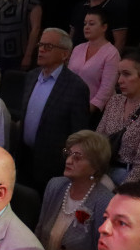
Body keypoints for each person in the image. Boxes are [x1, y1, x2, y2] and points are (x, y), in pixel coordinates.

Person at [35, 130, 115, 250]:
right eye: (68, 154)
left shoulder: (105, 202)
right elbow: (40, 229)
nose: (69, 160)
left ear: (95, 166)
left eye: (77, 157)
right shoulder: (56, 186)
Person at [19, 28, 91, 191]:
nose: (42, 49)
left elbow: (78, 133)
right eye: (41, 44)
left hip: (51, 167)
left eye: (48, 46)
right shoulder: (31, 77)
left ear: (65, 54)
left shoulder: (76, 87)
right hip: (24, 158)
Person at [96, 51, 140, 185]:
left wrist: (122, 190)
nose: (120, 80)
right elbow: (98, 138)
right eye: (119, 74)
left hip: (127, 174)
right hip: (103, 168)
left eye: (126, 74)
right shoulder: (115, 101)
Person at [67, 7, 120, 116]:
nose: (86, 27)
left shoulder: (111, 53)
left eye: (91, 24)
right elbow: (68, 77)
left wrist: (90, 108)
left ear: (104, 27)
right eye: (85, 24)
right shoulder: (78, 48)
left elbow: (107, 88)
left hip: (96, 111)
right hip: (70, 104)